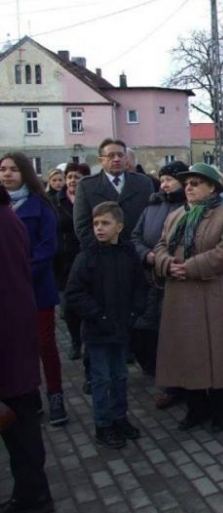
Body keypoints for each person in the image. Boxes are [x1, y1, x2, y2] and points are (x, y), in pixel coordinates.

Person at [153, 163, 223, 433]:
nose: (189, 188)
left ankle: (220, 413)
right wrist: (167, 264)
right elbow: (161, 245)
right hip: (181, 296)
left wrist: (190, 267)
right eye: (187, 184)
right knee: (188, 354)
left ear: (213, 188)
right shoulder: (176, 215)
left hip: (213, 294)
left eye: (195, 183)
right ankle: (196, 409)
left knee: (218, 355)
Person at [66, 202, 146, 449]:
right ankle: (103, 424)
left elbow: (139, 285)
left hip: (121, 328)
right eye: (96, 224)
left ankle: (119, 417)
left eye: (105, 223)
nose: (99, 228)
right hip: (97, 330)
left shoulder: (128, 253)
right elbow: (75, 292)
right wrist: (97, 316)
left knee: (120, 375)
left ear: (119, 227)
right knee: (101, 379)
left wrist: (134, 312)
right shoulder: (87, 256)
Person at [1, 152, 67, 427]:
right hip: (6, 292)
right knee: (15, 344)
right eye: (3, 169)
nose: (6, 174)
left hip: (36, 286)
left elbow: (47, 246)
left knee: (44, 343)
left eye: (13, 169)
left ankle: (55, 394)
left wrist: (21, 274)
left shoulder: (41, 205)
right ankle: (28, 395)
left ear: (26, 173)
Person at [0, 184, 54, 513]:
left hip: (9, 340)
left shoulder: (8, 219)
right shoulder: (9, 216)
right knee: (22, 426)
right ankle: (32, 494)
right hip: (14, 339)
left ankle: (33, 497)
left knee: (20, 427)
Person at [131, 160, 188, 408]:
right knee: (147, 331)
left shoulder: (188, 207)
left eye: (169, 179)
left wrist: (165, 260)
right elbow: (135, 236)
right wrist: (146, 254)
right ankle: (162, 376)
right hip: (150, 278)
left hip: (176, 279)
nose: (164, 184)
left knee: (175, 336)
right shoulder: (152, 206)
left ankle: (177, 387)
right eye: (162, 179)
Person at [74, 138, 154, 246]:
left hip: (136, 250)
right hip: (100, 251)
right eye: (111, 156)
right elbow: (82, 226)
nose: (116, 159)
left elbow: (150, 221)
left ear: (126, 159)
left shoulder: (144, 183)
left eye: (120, 155)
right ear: (101, 160)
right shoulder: (86, 186)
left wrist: (141, 249)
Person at [53, 162, 91, 360]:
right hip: (65, 260)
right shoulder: (56, 202)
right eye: (69, 177)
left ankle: (89, 343)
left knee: (90, 304)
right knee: (69, 307)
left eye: (77, 177)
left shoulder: (90, 198)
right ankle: (76, 341)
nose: (73, 180)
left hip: (88, 257)